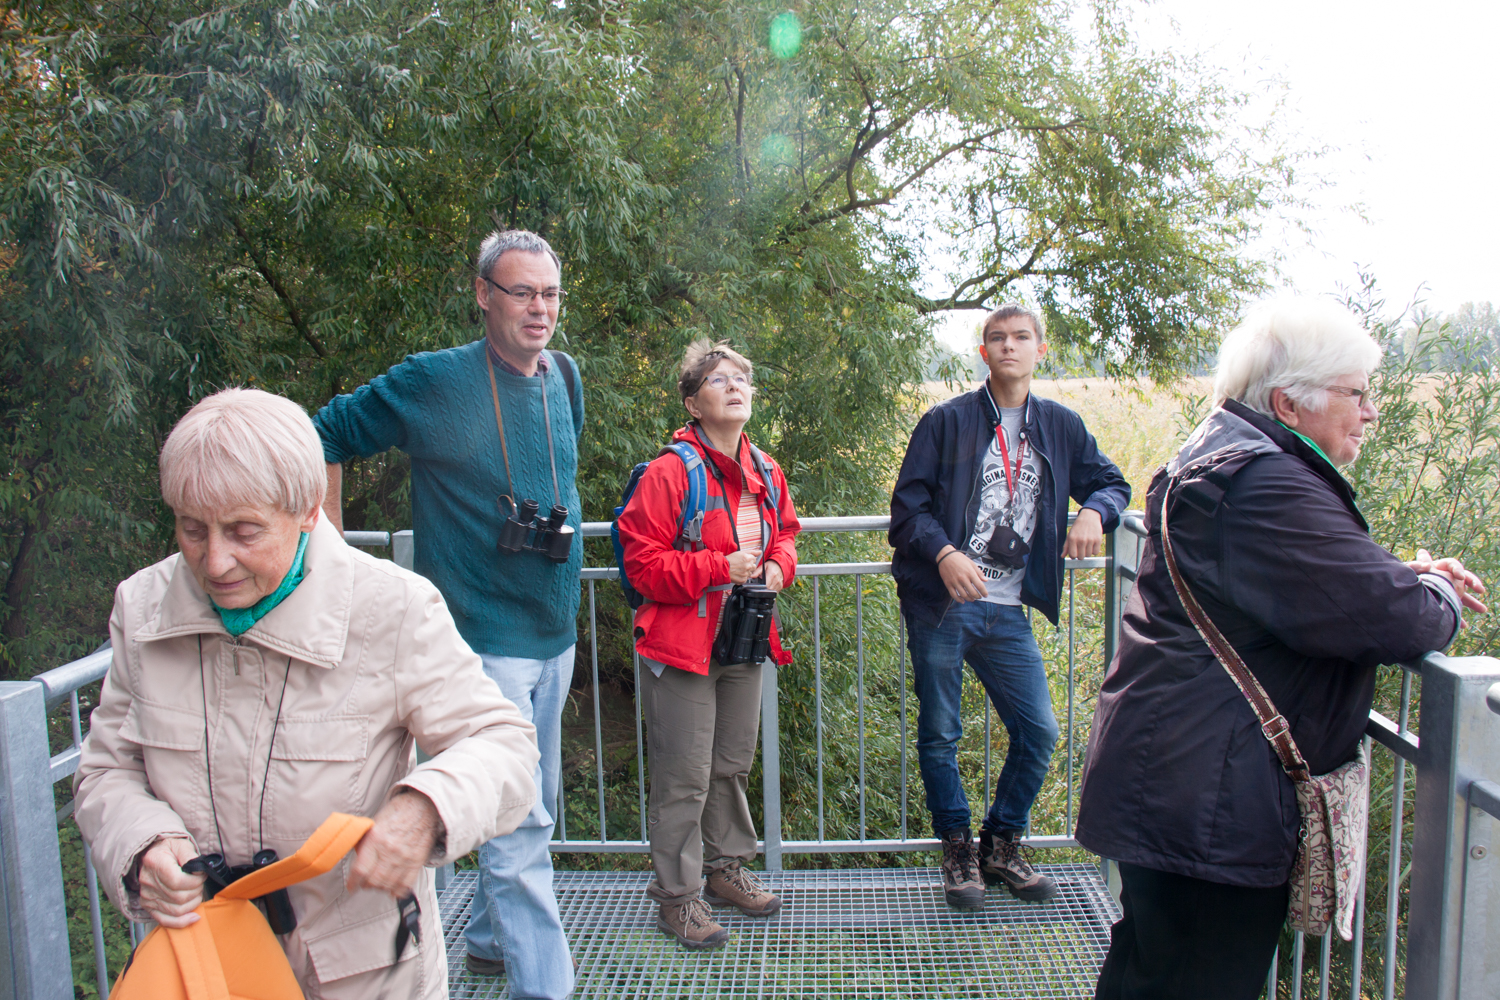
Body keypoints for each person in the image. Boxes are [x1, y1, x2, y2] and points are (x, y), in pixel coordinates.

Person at [1075, 298, 1487, 1000]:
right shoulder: (1262, 483)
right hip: (1211, 799)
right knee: (1197, 978)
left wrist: (1396, 574)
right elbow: (1399, 620)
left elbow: (1309, 582)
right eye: (1357, 392)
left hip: (1183, 777)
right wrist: (1439, 592)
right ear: (1287, 404)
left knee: (1154, 969)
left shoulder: (1224, 459)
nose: (1371, 411)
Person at [74, 388, 541, 999]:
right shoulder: (141, 608)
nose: (215, 562)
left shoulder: (392, 608)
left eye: (244, 531)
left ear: (308, 510)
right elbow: (107, 770)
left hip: (361, 978)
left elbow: (503, 745)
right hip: (209, 969)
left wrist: (424, 808)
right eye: (192, 530)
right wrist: (141, 845)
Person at [312, 229, 582, 997]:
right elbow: (323, 433)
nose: (539, 309)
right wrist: (332, 553)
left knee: (537, 808)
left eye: (550, 294)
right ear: (482, 295)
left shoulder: (564, 376)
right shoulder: (435, 382)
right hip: (480, 647)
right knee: (519, 828)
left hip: (553, 641)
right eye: (521, 292)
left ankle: (492, 942)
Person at [889, 304, 1130, 908]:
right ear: (984, 352)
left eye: (1021, 337)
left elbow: (1112, 482)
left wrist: (1096, 512)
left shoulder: (1061, 428)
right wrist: (944, 553)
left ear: (1039, 350)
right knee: (941, 730)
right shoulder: (946, 422)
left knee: (1040, 730)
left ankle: (1001, 843)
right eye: (997, 338)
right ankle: (956, 849)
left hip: (1009, 608)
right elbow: (907, 510)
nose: (1009, 347)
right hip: (944, 605)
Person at [616, 340, 801, 949]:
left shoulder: (765, 470)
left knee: (728, 766)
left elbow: (787, 536)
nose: (736, 386)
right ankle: (677, 897)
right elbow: (643, 566)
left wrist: (778, 566)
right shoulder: (672, 472)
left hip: (742, 642)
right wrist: (718, 567)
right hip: (682, 646)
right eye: (720, 380)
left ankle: (725, 871)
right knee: (683, 777)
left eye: (743, 377)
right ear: (694, 402)